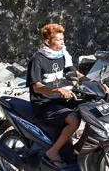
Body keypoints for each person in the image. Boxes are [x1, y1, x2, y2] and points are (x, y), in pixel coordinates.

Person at [27, 23, 88, 168]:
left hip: (58, 100)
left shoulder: (61, 55)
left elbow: (72, 72)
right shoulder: (38, 59)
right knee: (74, 120)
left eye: (63, 39)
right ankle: (52, 152)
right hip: (43, 103)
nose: (63, 42)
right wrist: (57, 90)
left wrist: (93, 82)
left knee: (89, 109)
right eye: (59, 40)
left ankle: (78, 147)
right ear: (48, 42)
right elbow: (37, 88)